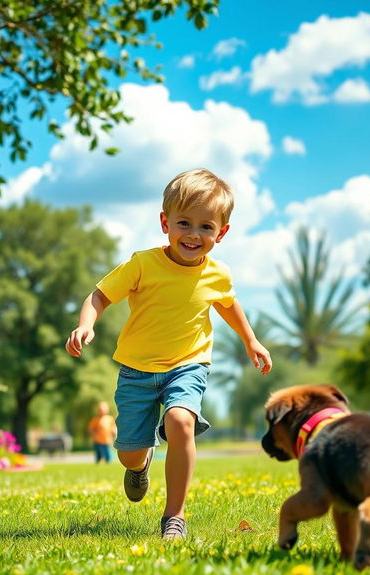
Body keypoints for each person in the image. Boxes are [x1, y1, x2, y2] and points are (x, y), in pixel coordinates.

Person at [66, 168, 272, 540]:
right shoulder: (142, 264)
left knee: (180, 421)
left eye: (206, 227)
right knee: (130, 453)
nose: (194, 234)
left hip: (188, 365)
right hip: (136, 371)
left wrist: (251, 340)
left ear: (221, 233)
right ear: (165, 223)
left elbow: (228, 305)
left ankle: (174, 517)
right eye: (184, 223)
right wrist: (86, 324)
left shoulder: (218, 274)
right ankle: (139, 465)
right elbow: (99, 295)